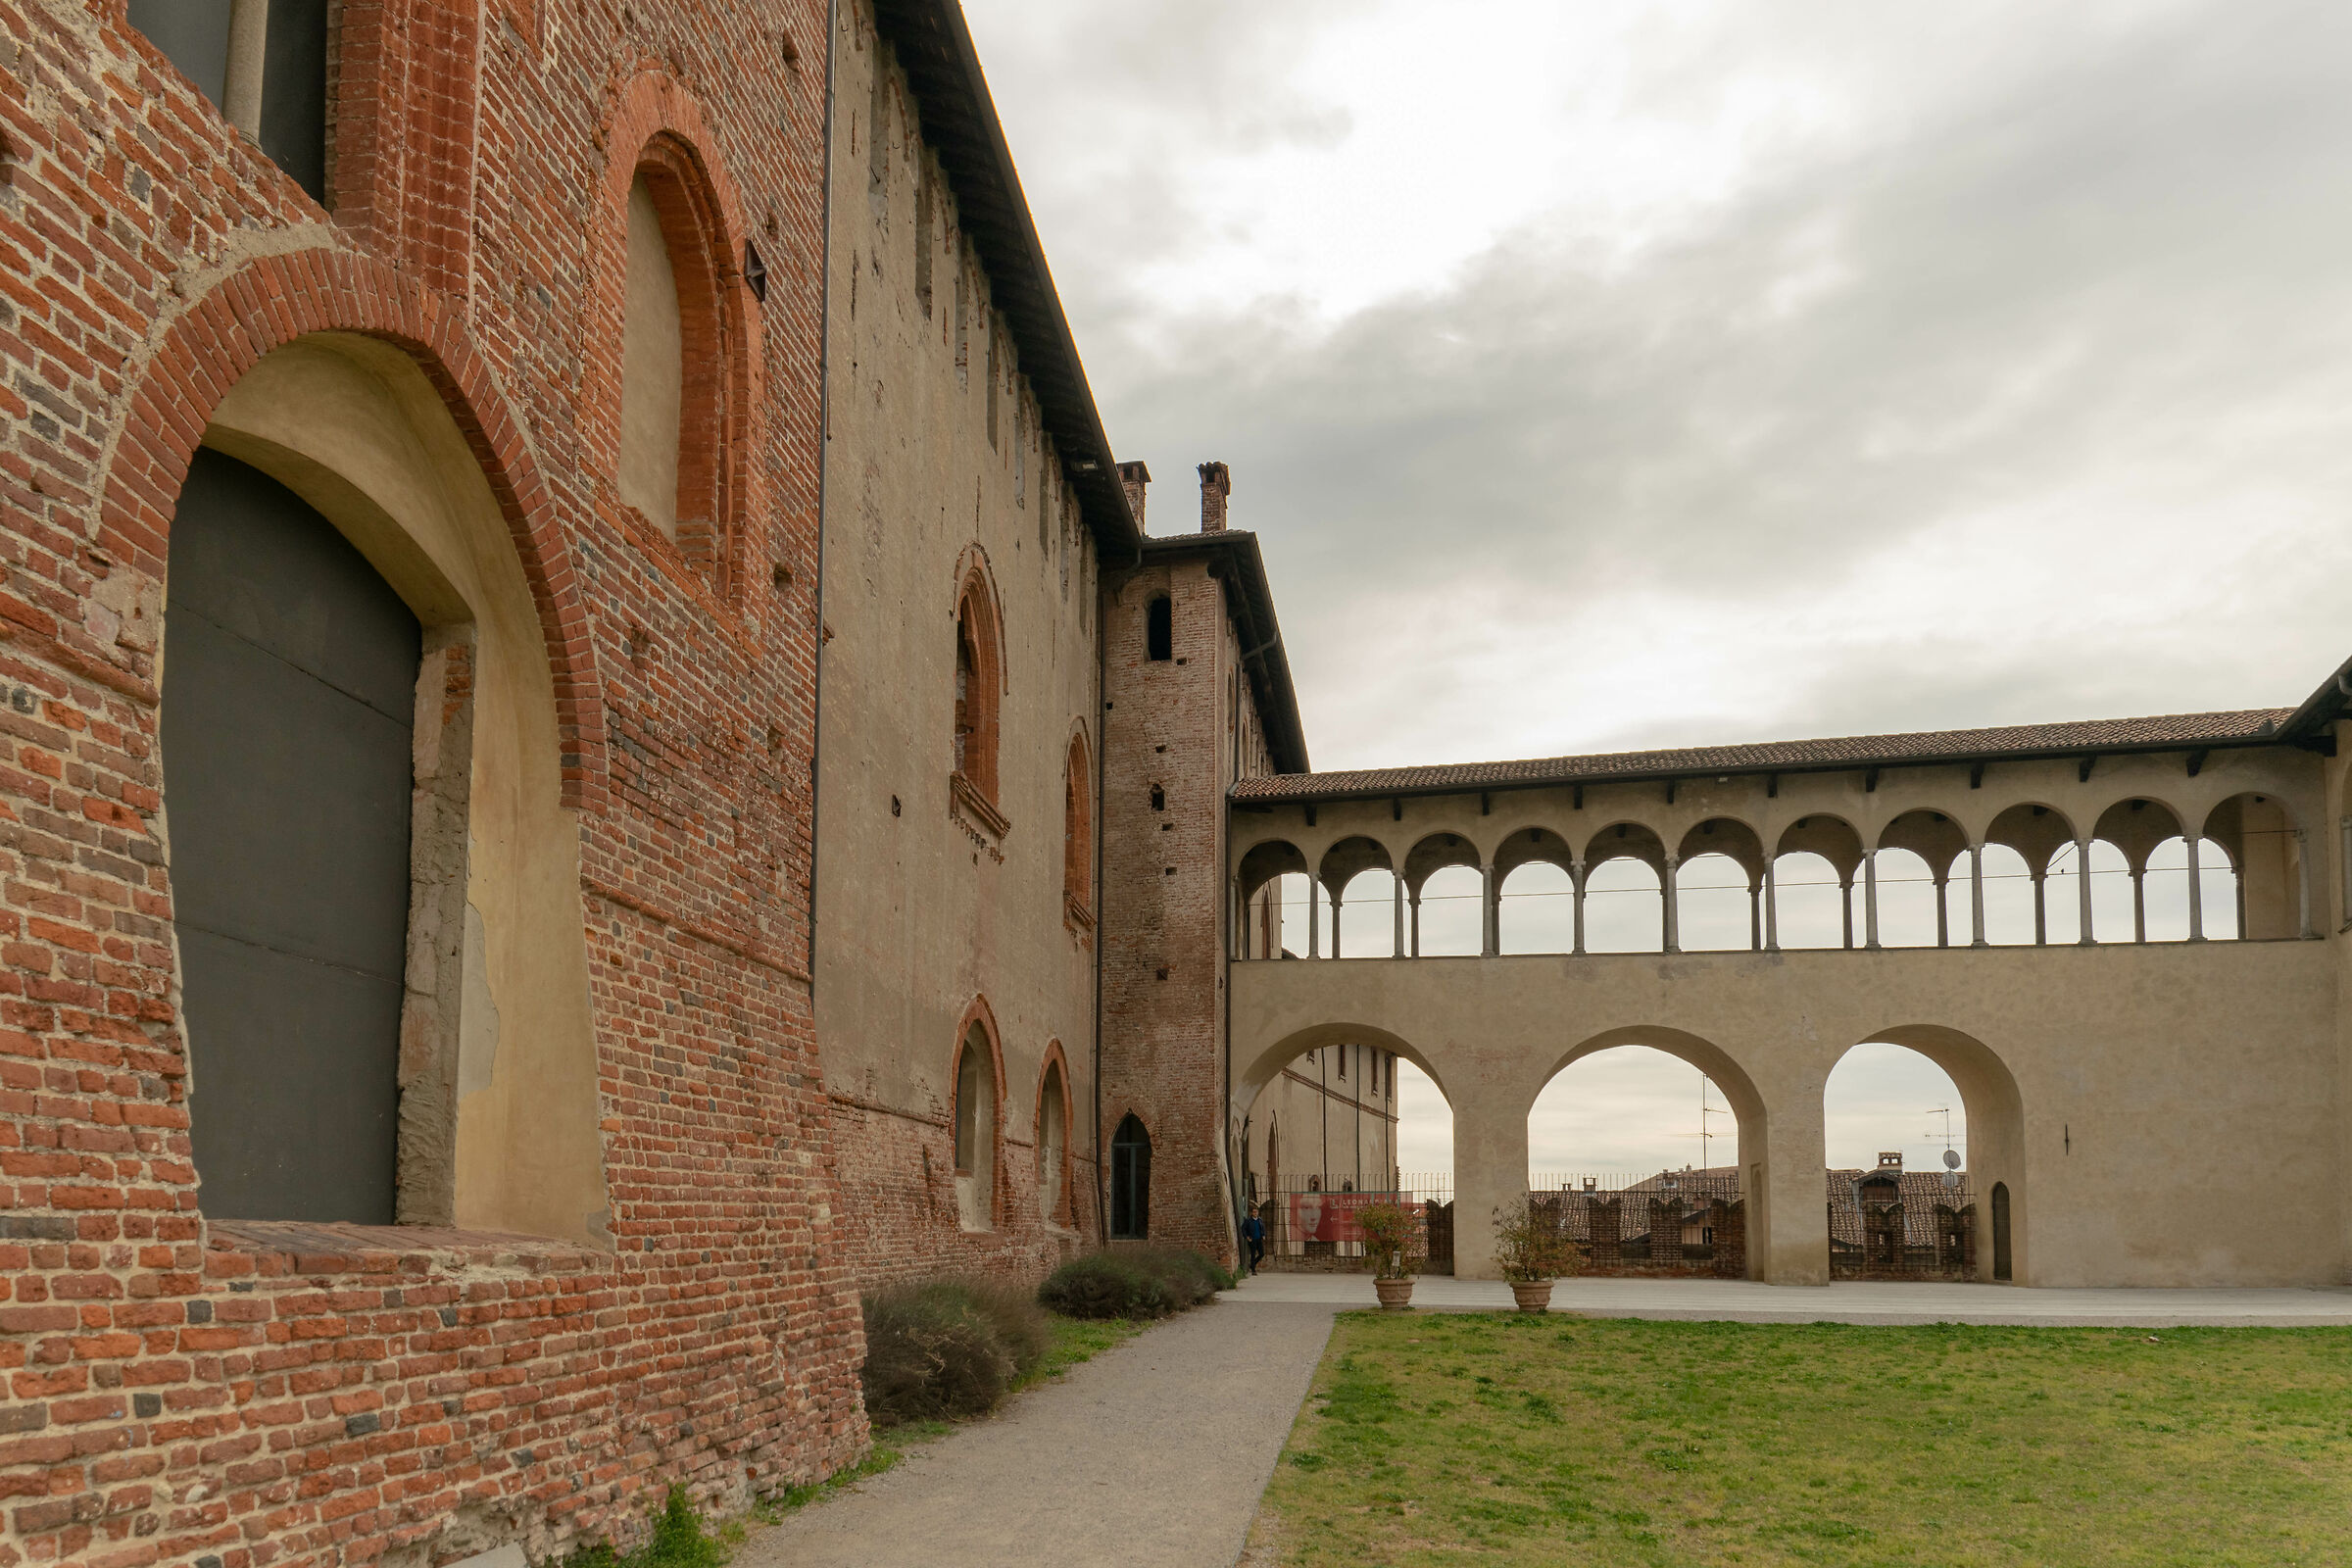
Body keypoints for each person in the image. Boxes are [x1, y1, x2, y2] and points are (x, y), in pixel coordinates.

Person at [1242, 1204, 1266, 1271]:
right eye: (1254, 1212)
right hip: (1252, 1239)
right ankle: (1253, 1270)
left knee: (1262, 1254)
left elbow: (1263, 1228)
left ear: (1258, 1213)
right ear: (1252, 1213)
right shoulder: (1248, 1220)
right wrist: (1246, 1237)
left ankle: (1252, 1264)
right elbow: (1243, 1229)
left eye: (1256, 1212)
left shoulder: (1260, 1220)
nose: (1255, 1213)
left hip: (1259, 1239)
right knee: (1253, 1254)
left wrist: (1263, 1235)